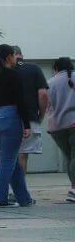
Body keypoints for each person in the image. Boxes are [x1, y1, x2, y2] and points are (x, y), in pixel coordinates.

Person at [0, 43, 34, 207]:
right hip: (9, 117)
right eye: (13, 55)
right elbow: (21, 101)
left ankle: (24, 198)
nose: (15, 58)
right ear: (8, 57)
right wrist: (27, 124)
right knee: (8, 161)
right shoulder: (14, 75)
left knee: (11, 160)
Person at [11, 46, 50, 174]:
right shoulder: (33, 69)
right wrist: (41, 116)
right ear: (21, 55)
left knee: (5, 156)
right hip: (29, 117)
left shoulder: (3, 70)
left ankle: (3, 189)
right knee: (22, 155)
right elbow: (43, 94)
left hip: (6, 118)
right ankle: (19, 192)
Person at [45, 57, 75, 203]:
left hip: (57, 127)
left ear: (56, 68)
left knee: (69, 157)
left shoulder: (50, 82)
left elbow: (46, 105)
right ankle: (74, 189)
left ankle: (73, 189)